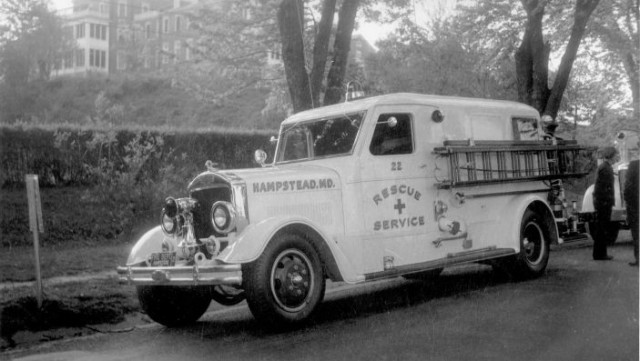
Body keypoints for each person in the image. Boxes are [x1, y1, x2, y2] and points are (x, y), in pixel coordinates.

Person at [592, 146, 619, 261]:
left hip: (601, 201)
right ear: (612, 156)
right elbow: (605, 188)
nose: (617, 157)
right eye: (616, 155)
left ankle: (600, 253)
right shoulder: (606, 169)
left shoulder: (604, 167)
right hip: (603, 202)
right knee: (602, 229)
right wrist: (609, 201)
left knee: (601, 228)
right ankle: (600, 254)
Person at [624, 150, 638, 266]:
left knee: (637, 234)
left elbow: (628, 189)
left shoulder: (634, 165)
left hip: (636, 207)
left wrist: (629, 205)